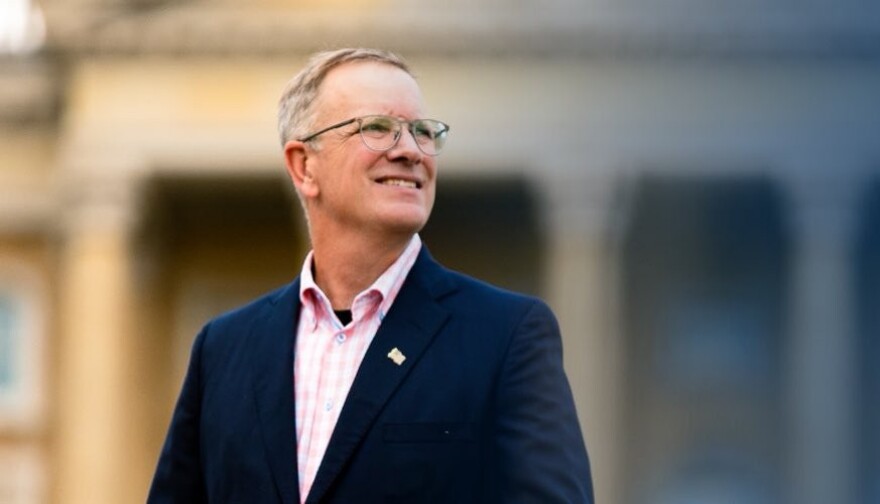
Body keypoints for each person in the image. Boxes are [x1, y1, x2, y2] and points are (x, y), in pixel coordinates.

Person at [148, 47, 593, 504]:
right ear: (304, 166)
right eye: (378, 128)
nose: (410, 151)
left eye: (422, 131)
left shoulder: (505, 337)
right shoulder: (223, 349)